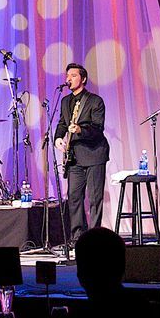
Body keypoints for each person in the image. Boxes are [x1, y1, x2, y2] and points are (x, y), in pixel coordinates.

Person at [53, 62, 108, 240]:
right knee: (74, 197)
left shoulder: (95, 101)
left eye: (73, 75)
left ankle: (94, 237)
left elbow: (98, 128)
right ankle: (77, 236)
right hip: (74, 157)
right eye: (67, 76)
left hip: (94, 154)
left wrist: (80, 131)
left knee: (94, 198)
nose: (69, 79)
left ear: (83, 79)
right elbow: (62, 123)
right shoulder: (65, 101)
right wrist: (58, 138)